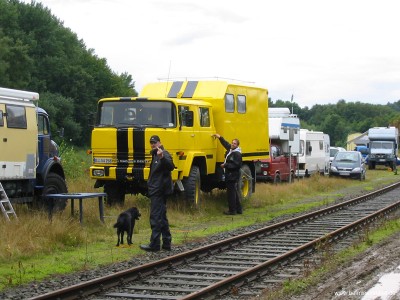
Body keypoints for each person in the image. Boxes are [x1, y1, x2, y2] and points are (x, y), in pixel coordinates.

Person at [140, 135, 175, 252]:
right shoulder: (154, 155)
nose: (152, 144)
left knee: (155, 217)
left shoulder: (164, 154)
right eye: (151, 143)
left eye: (154, 142)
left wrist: (162, 158)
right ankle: (166, 242)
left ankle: (154, 244)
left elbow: (171, 166)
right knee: (162, 217)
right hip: (156, 189)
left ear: (160, 143)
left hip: (159, 190)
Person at [212, 133, 243, 215]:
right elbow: (225, 144)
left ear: (237, 145)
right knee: (234, 192)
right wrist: (220, 137)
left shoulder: (237, 154)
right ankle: (239, 209)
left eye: (234, 143)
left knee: (231, 194)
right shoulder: (231, 150)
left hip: (232, 175)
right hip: (229, 174)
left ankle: (232, 210)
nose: (232, 144)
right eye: (232, 143)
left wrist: (225, 165)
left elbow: (236, 165)